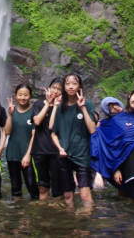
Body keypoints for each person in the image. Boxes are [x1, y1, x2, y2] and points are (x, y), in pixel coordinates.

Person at [49, 72, 96, 207]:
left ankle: (85, 223)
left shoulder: (87, 104)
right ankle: (70, 222)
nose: (70, 86)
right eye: (67, 83)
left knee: (84, 193)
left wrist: (83, 108)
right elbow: (53, 131)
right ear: (64, 87)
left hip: (82, 155)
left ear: (79, 86)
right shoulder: (60, 107)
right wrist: (60, 148)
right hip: (64, 155)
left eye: (74, 83)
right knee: (68, 194)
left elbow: (92, 129)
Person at [31, 77, 63, 199]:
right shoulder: (38, 104)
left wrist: (55, 106)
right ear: (49, 88)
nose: (56, 90)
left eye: (59, 89)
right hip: (39, 151)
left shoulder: (63, 108)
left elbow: (53, 127)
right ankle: (43, 215)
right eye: (54, 87)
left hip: (56, 152)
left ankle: (55, 215)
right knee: (43, 187)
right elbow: (37, 121)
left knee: (58, 189)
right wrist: (48, 104)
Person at [5, 83, 39, 199]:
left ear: (30, 96)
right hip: (12, 153)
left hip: (27, 155)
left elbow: (35, 135)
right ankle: (17, 212)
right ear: (15, 96)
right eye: (20, 95)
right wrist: (9, 115)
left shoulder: (34, 112)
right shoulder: (12, 111)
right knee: (15, 187)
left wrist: (28, 155)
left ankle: (35, 212)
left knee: (31, 184)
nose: (22, 97)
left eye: (25, 95)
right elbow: (7, 132)